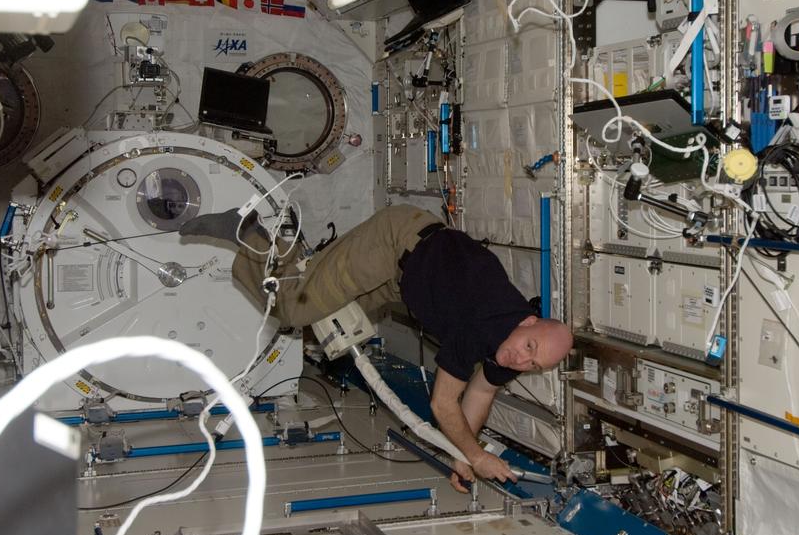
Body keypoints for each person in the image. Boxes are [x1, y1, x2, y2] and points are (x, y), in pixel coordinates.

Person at [181, 204, 574, 492]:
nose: (522, 359)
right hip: (395, 242)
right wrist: (476, 454)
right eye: (529, 346)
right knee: (292, 308)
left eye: (533, 362)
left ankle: (298, 257)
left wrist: (459, 452)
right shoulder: (483, 317)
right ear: (528, 320)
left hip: (406, 280)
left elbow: (483, 390)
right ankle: (244, 230)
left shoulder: (512, 346)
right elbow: (444, 404)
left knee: (322, 330)